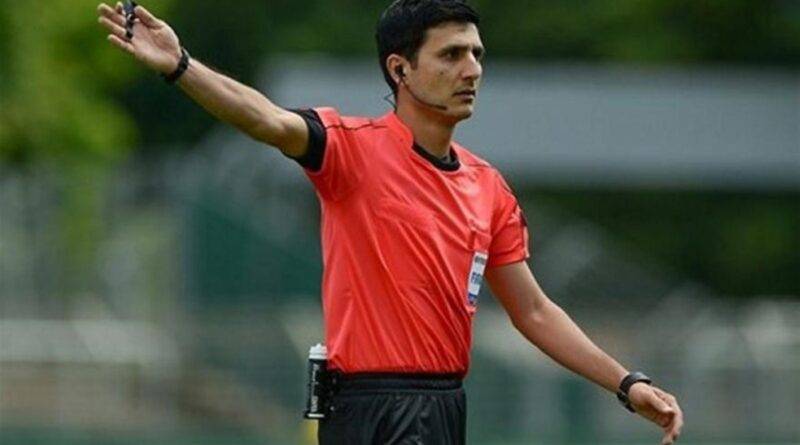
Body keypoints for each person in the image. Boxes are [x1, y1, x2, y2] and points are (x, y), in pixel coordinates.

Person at [97, 1, 684, 444]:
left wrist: (625, 383)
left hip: (445, 406)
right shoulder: (351, 150)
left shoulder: (488, 187)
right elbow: (266, 120)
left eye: (476, 54)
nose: (471, 69)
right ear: (400, 69)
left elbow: (532, 310)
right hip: (367, 406)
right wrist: (181, 66)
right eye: (451, 55)